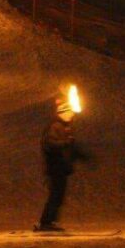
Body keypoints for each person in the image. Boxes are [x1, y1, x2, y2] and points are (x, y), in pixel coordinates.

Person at [34, 99, 89, 231]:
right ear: (62, 113)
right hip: (55, 167)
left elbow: (71, 148)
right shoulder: (55, 126)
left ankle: (50, 222)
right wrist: (65, 143)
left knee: (58, 196)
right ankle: (46, 223)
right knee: (55, 195)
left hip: (61, 167)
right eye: (70, 112)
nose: (72, 115)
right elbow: (50, 144)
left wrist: (84, 157)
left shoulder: (65, 127)